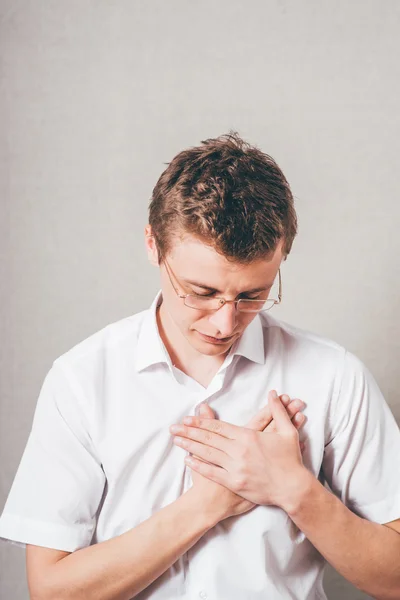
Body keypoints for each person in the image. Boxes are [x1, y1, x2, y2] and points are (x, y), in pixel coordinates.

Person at [0, 133, 399, 600]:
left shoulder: (334, 376)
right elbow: (50, 591)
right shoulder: (83, 380)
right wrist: (207, 504)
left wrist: (293, 488)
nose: (226, 322)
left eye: (252, 295)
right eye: (202, 292)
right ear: (154, 245)